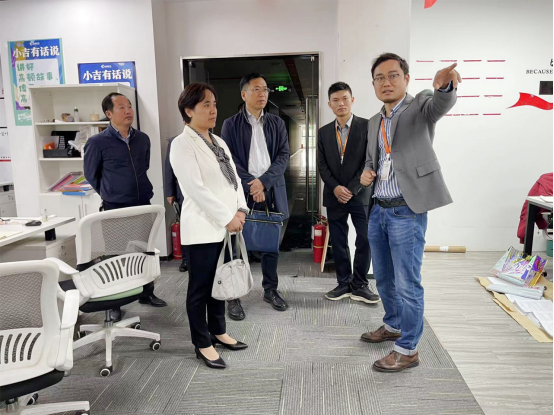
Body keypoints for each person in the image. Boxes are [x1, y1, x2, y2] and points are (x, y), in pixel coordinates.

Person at [359, 53, 460, 372]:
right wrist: (366, 172)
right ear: (373, 84)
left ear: (406, 79)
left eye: (393, 75)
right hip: (378, 209)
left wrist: (444, 88)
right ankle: (393, 325)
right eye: (379, 78)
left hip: (407, 210)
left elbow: (440, 105)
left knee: (407, 283)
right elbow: (373, 159)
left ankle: (408, 349)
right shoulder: (374, 121)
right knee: (384, 278)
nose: (386, 82)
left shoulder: (421, 105)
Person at [170, 83, 249, 369]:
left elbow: (234, 180)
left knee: (221, 282)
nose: (213, 109)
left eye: (214, 103)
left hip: (227, 226)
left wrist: (240, 209)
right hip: (203, 229)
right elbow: (195, 189)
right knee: (200, 289)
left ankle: (218, 331)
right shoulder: (182, 144)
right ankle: (202, 343)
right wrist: (227, 218)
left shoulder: (218, 141)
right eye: (206, 104)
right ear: (188, 110)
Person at [84, 92, 167, 321]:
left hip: (142, 203)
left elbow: (144, 166)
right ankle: (115, 303)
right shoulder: (97, 142)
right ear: (109, 113)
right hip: (115, 207)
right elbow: (91, 175)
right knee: (116, 254)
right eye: (121, 107)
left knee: (144, 250)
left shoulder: (143, 139)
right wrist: (110, 192)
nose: (128, 111)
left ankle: (146, 292)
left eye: (129, 106)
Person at [221, 73, 290, 320]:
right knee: (235, 244)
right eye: (256, 89)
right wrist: (252, 184)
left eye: (265, 89)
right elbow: (228, 160)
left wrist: (264, 182)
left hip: (271, 189)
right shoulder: (230, 124)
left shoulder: (276, 123)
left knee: (271, 241)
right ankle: (233, 295)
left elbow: (283, 155)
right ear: (244, 94)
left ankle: (270, 290)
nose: (263, 94)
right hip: (242, 191)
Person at [317, 82, 380, 304]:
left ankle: (360, 284)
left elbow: (370, 160)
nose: (341, 103)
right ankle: (343, 283)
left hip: (361, 194)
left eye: (345, 98)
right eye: (335, 100)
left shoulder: (367, 126)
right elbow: (322, 164)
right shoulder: (324, 132)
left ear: (352, 100)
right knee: (338, 240)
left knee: (365, 239)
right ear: (329, 104)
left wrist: (352, 188)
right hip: (334, 195)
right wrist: (335, 187)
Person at [164, 136, 188, 272]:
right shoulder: (175, 141)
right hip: (183, 192)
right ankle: (186, 258)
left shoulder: (210, 139)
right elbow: (169, 167)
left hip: (206, 191)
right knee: (185, 226)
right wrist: (170, 192)